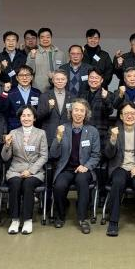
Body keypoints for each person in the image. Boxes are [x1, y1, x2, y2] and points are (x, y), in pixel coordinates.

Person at [104, 102, 135, 239]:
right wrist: (113, 140)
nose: (129, 116)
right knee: (118, 181)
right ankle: (113, 222)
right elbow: (108, 155)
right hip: (119, 167)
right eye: (126, 113)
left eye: (132, 113)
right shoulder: (114, 130)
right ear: (121, 116)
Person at [50, 99, 101, 233]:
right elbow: (53, 154)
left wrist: (86, 166)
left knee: (82, 182)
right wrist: (58, 137)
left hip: (84, 169)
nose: (78, 113)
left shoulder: (92, 131)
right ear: (71, 112)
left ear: (86, 114)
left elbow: (96, 155)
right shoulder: (62, 128)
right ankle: (60, 215)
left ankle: (82, 219)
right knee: (59, 186)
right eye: (76, 110)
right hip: (66, 169)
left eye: (82, 111)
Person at [1, 106, 48, 235]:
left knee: (28, 184)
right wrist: (7, 145)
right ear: (20, 118)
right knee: (15, 184)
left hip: (35, 171)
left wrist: (31, 171)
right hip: (16, 170)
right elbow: (5, 157)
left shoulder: (41, 133)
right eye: (23, 115)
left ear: (34, 118)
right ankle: (15, 220)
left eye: (29, 115)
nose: (26, 118)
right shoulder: (13, 132)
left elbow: (44, 156)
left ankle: (27, 220)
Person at [0, 65, 41, 131]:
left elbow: (40, 113)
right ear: (17, 78)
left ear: (32, 77)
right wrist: (5, 92)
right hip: (14, 130)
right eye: (21, 75)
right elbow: (1, 109)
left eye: (27, 75)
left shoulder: (37, 93)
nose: (24, 78)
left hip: (33, 130)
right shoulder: (10, 92)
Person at [79, 68, 114, 147]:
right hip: (84, 131)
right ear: (88, 79)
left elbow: (110, 111)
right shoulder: (82, 95)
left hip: (101, 133)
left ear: (101, 80)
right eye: (91, 77)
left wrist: (105, 98)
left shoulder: (108, 94)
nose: (93, 80)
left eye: (96, 78)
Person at [36, 70, 72, 145]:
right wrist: (49, 108)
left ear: (66, 81)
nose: (60, 81)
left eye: (62, 79)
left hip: (67, 135)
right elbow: (38, 116)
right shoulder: (44, 96)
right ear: (52, 80)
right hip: (50, 134)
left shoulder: (72, 97)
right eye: (57, 79)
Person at [27, 27, 64, 92]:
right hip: (38, 90)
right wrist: (32, 58)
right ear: (39, 39)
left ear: (51, 38)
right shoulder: (33, 53)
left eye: (48, 37)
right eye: (42, 37)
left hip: (58, 89)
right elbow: (29, 72)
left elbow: (64, 71)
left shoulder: (60, 54)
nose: (45, 39)